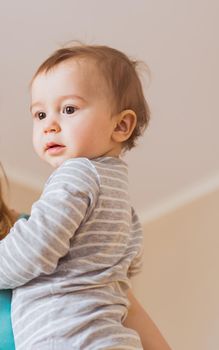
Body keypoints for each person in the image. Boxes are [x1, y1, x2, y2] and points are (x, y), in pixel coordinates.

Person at [0, 44, 171, 349]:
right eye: (39, 114)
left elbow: (34, 248)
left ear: (120, 125)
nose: (49, 125)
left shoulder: (76, 173)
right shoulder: (121, 203)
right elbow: (119, 278)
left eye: (68, 109)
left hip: (70, 339)